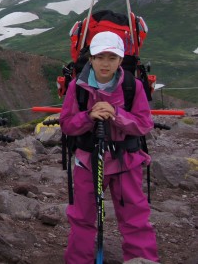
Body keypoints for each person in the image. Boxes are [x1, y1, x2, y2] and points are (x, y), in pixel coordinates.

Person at [60, 31, 159, 263]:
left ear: (120, 60)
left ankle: (141, 259)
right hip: (89, 161)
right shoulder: (77, 87)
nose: (105, 63)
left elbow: (144, 124)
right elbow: (67, 124)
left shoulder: (132, 86)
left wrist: (116, 116)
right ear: (91, 58)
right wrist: (89, 116)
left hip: (126, 162)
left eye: (112, 57)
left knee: (134, 217)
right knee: (82, 217)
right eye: (100, 57)